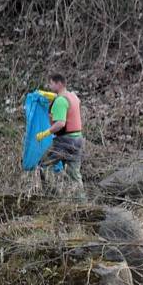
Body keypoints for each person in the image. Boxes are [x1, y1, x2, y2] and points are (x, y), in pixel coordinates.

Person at [36, 73, 86, 201]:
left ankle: (50, 196)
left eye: (51, 83)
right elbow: (70, 102)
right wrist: (53, 96)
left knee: (42, 165)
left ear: (59, 84)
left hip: (64, 141)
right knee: (74, 175)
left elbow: (60, 123)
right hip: (78, 140)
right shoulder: (73, 96)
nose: (49, 85)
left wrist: (45, 133)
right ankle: (82, 203)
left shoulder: (60, 101)